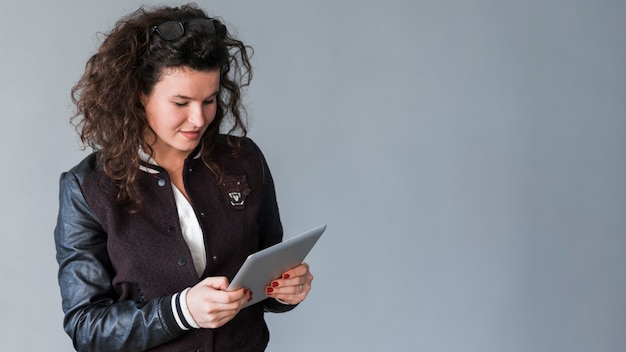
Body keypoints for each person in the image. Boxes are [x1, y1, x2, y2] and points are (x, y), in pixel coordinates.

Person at [54, 3, 314, 351]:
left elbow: (262, 273)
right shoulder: (87, 188)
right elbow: (86, 328)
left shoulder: (245, 160)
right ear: (138, 95)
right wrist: (181, 311)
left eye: (209, 100)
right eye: (181, 103)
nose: (199, 118)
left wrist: (284, 291)